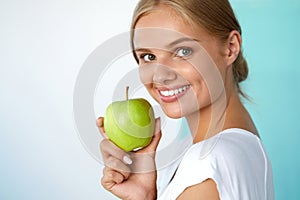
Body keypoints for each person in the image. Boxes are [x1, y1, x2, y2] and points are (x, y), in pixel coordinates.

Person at [97, 0, 274, 199]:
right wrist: (144, 196)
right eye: (148, 56)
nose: (160, 76)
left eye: (183, 51)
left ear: (230, 48)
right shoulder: (214, 150)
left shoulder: (208, 164)